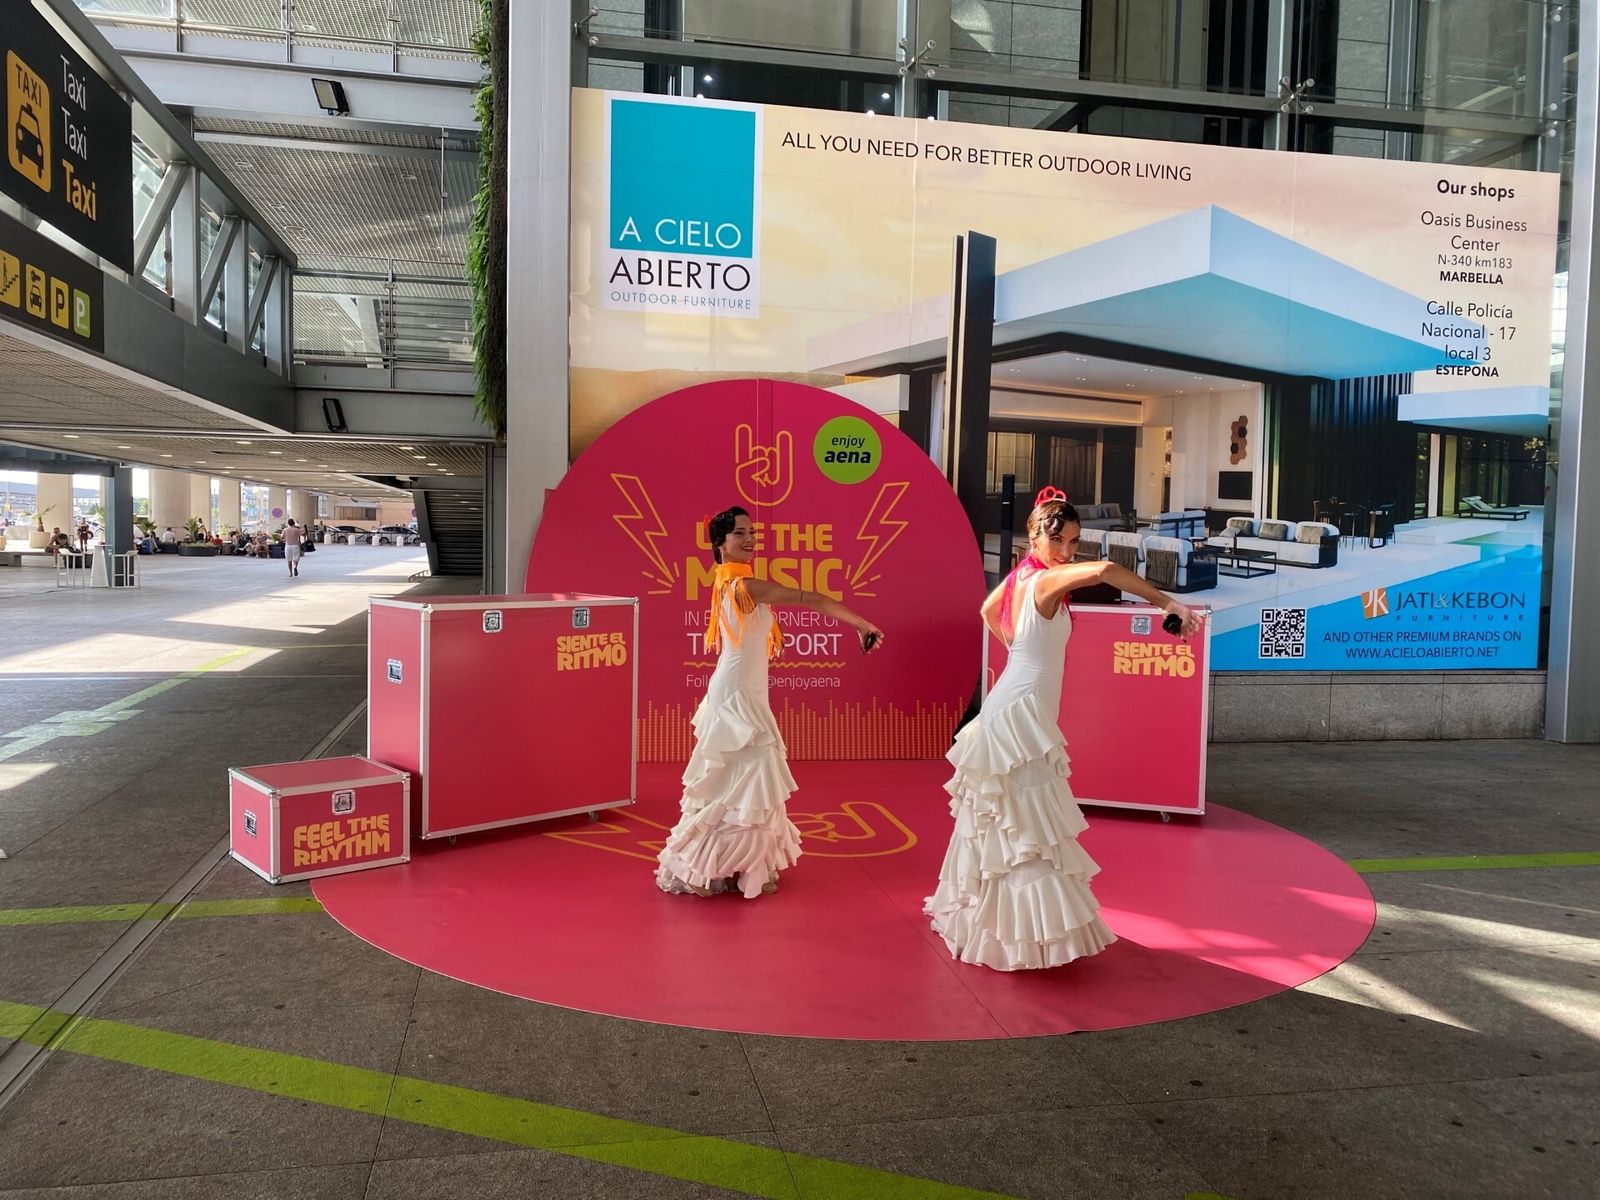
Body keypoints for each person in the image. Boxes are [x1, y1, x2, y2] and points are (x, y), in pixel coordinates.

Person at [924, 486, 1202, 971]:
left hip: (1016, 706)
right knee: (1024, 827)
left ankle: (1011, 933)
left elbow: (988, 612)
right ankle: (1018, 940)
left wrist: (1017, 650)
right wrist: (1168, 604)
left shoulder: (1025, 578)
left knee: (1012, 824)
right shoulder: (1043, 583)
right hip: (1020, 715)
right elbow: (1104, 570)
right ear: (1035, 536)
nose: (1067, 552)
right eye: (1060, 541)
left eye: (1073, 542)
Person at [656, 505, 885, 899]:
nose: (749, 540)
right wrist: (863, 623)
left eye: (752, 533)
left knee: (740, 781)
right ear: (720, 543)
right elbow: (811, 598)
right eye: (739, 534)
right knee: (745, 776)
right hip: (737, 694)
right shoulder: (743, 586)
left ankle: (729, 864)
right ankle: (720, 865)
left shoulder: (732, 581)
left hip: (743, 689)